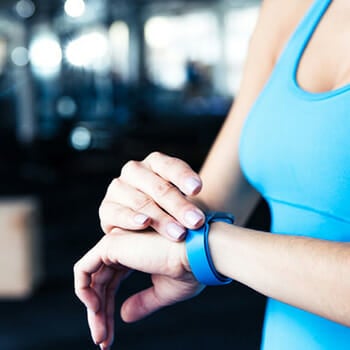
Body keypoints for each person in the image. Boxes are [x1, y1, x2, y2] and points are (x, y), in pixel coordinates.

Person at [74, 0, 350, 349]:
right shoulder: (288, 7)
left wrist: (208, 247)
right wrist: (156, 211)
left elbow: (207, 242)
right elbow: (209, 201)